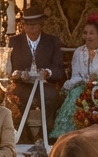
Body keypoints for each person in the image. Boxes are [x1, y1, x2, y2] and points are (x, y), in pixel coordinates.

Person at [51, 14, 98, 138]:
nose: (88, 36)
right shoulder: (79, 52)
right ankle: (71, 135)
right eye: (85, 33)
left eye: (92, 33)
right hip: (82, 87)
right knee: (76, 95)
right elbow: (76, 75)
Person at [9, 8, 65, 136]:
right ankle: (23, 136)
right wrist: (17, 74)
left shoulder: (52, 41)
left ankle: (45, 136)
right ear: (22, 25)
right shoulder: (14, 42)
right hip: (22, 85)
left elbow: (58, 68)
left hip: (44, 84)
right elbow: (8, 68)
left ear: (41, 24)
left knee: (51, 97)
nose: (31, 28)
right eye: (27, 25)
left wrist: (48, 73)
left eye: (34, 25)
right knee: (14, 98)